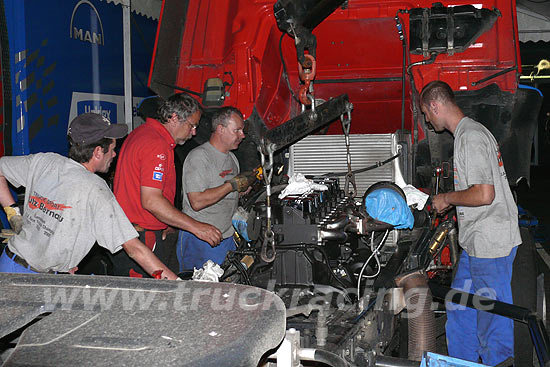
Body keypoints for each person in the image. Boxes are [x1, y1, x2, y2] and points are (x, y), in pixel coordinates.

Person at [0, 113, 178, 279]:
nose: (114, 155)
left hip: (10, 265)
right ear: (98, 152)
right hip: (33, 280)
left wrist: (13, 212)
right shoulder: (96, 190)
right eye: (113, 149)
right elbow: (134, 249)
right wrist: (176, 283)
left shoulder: (45, 162)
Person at [422, 81, 521, 366]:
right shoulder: (468, 134)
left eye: (426, 113)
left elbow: (484, 194)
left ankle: (498, 363)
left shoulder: (471, 137)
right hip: (476, 243)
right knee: (459, 304)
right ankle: (462, 362)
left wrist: (447, 199)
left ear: (435, 106)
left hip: (491, 243)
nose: (427, 120)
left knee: (491, 318)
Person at [113, 93, 222, 277]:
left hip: (135, 233)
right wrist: (197, 227)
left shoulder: (143, 133)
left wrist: (165, 224)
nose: (194, 132)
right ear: (173, 118)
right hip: (140, 237)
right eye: (191, 125)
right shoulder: (156, 144)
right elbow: (151, 201)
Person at [177, 106, 255, 271]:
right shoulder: (199, 157)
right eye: (237, 130)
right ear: (220, 129)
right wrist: (231, 185)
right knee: (198, 291)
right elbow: (196, 201)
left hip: (226, 238)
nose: (242, 135)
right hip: (200, 240)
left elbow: (225, 193)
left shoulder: (232, 158)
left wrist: (239, 191)